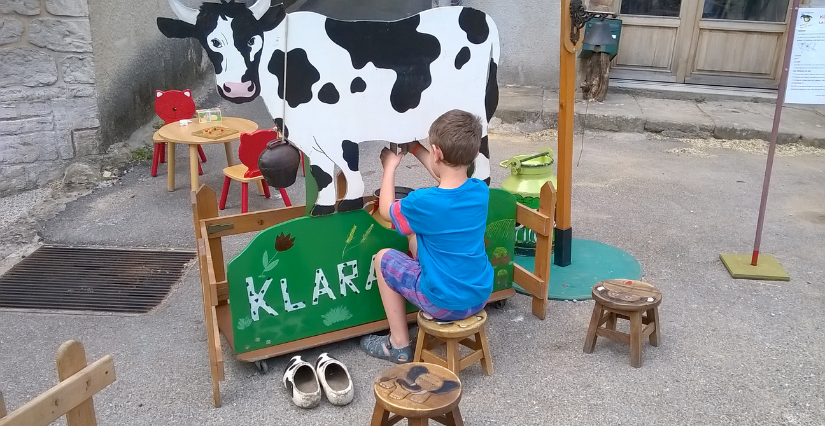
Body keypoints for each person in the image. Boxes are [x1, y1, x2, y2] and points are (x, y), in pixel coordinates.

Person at [360, 109, 494, 363]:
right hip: (478, 295)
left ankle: (397, 344)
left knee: (383, 258)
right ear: (475, 154)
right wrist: (415, 148)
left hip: (443, 301)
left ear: (437, 152)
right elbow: (448, 174)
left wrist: (389, 167)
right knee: (414, 239)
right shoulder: (479, 191)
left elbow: (388, 210)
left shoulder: (424, 203)